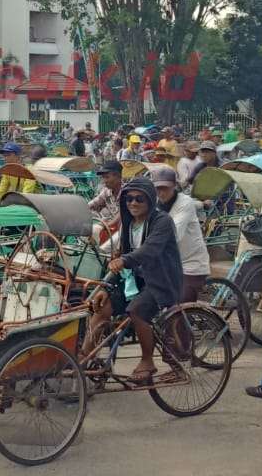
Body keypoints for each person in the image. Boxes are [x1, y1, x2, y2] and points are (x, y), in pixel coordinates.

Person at [91, 177, 181, 384]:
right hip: (136, 280)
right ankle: (83, 357)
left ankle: (147, 360)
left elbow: (150, 250)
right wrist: (107, 284)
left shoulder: (162, 221)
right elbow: (121, 254)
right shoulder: (129, 224)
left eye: (139, 199)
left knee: (136, 310)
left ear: (150, 200)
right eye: (129, 199)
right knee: (100, 306)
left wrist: (124, 260)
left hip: (161, 280)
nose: (133, 203)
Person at [145, 165, 207, 302]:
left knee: (178, 307)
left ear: (174, 186)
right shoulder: (153, 204)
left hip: (190, 264)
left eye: (165, 188)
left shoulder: (184, 203)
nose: (161, 193)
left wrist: (145, 248)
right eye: (157, 189)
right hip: (168, 264)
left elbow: (174, 234)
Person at [86, 160, 125, 224]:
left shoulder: (127, 192)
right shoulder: (106, 192)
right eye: (103, 177)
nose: (104, 181)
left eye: (107, 177)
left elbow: (122, 213)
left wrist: (109, 224)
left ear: (118, 176)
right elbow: (93, 203)